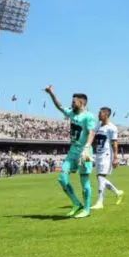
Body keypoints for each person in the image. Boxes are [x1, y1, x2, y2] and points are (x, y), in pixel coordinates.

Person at [45, 85, 97, 218]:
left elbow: (91, 132)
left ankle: (86, 209)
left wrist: (87, 147)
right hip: (72, 150)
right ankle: (76, 203)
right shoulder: (72, 113)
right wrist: (51, 93)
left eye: (73, 102)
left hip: (84, 151)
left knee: (84, 181)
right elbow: (59, 106)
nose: (71, 103)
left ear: (82, 102)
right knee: (62, 178)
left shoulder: (88, 116)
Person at [91, 107, 124, 209]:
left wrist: (115, 158)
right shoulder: (98, 126)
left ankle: (100, 202)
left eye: (100, 113)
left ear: (106, 114)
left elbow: (114, 143)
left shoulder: (112, 128)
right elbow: (92, 136)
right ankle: (117, 192)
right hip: (98, 154)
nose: (98, 114)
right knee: (100, 178)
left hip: (106, 155)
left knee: (101, 177)